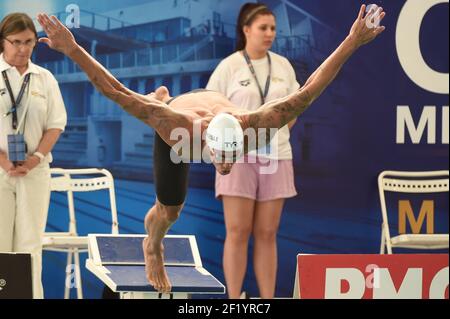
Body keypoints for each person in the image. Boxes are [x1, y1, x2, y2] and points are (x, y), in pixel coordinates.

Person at [37, 5, 385, 293]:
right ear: (207, 146)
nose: (225, 166)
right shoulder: (176, 127)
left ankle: (158, 98)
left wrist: (352, 42)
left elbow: (309, 90)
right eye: (221, 159)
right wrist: (72, 48)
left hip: (213, 117)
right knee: (169, 211)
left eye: (232, 158)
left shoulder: (256, 124)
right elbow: (114, 91)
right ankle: (152, 244)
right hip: (179, 117)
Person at [206, 3, 300, 298]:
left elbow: (294, 107)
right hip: (238, 159)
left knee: (268, 233)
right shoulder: (230, 66)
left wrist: (275, 134)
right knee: (237, 231)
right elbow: (210, 109)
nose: (270, 33)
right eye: (263, 28)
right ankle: (234, 299)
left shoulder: (283, 65)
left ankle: (266, 299)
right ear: (246, 30)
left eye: (273, 28)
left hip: (277, 156)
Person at [0, 13, 67, 299]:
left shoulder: (45, 79)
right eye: (16, 42)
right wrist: (3, 161)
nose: (23, 48)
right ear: (3, 42)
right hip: (0, 170)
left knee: (30, 245)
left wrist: (36, 157)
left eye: (28, 42)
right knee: (1, 243)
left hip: (35, 172)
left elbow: (55, 124)